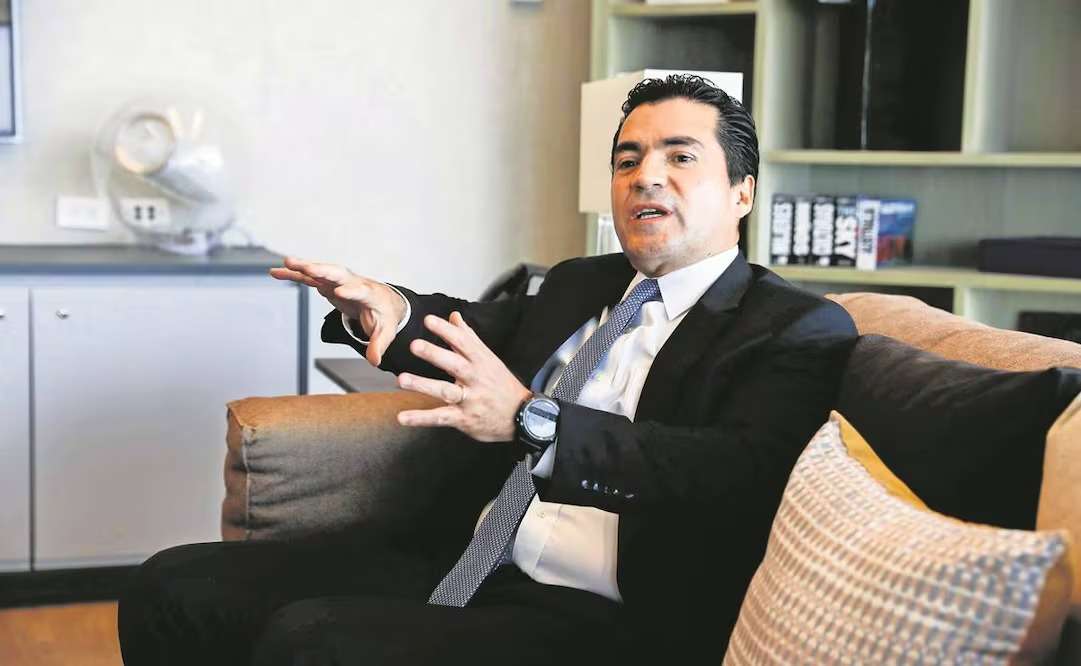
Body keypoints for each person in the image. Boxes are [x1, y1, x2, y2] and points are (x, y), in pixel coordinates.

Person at [118, 74, 857, 665]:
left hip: (606, 613)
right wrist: (386, 309)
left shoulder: (791, 327)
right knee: (174, 584)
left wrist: (532, 421)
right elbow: (471, 328)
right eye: (627, 160)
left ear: (742, 192)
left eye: (680, 157)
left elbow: (731, 470)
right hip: (469, 557)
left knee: (314, 644)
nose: (644, 177)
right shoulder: (581, 283)